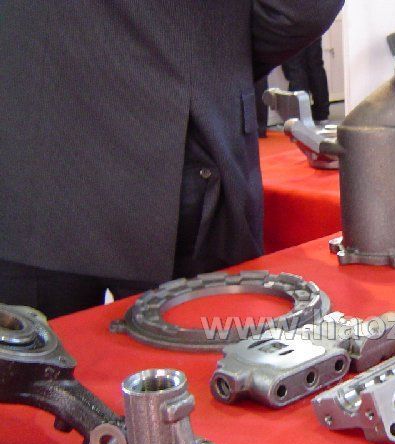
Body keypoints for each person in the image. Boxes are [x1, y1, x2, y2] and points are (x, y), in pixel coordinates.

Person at [0, 0, 343, 319]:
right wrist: (214, 59)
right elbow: (303, 9)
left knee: (31, 358)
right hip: (175, 146)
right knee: (198, 353)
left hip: (25, 147)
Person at [281, 38, 332, 123]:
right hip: (313, 29)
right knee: (315, 65)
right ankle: (322, 114)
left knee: (295, 67)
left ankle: (300, 116)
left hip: (290, 31)